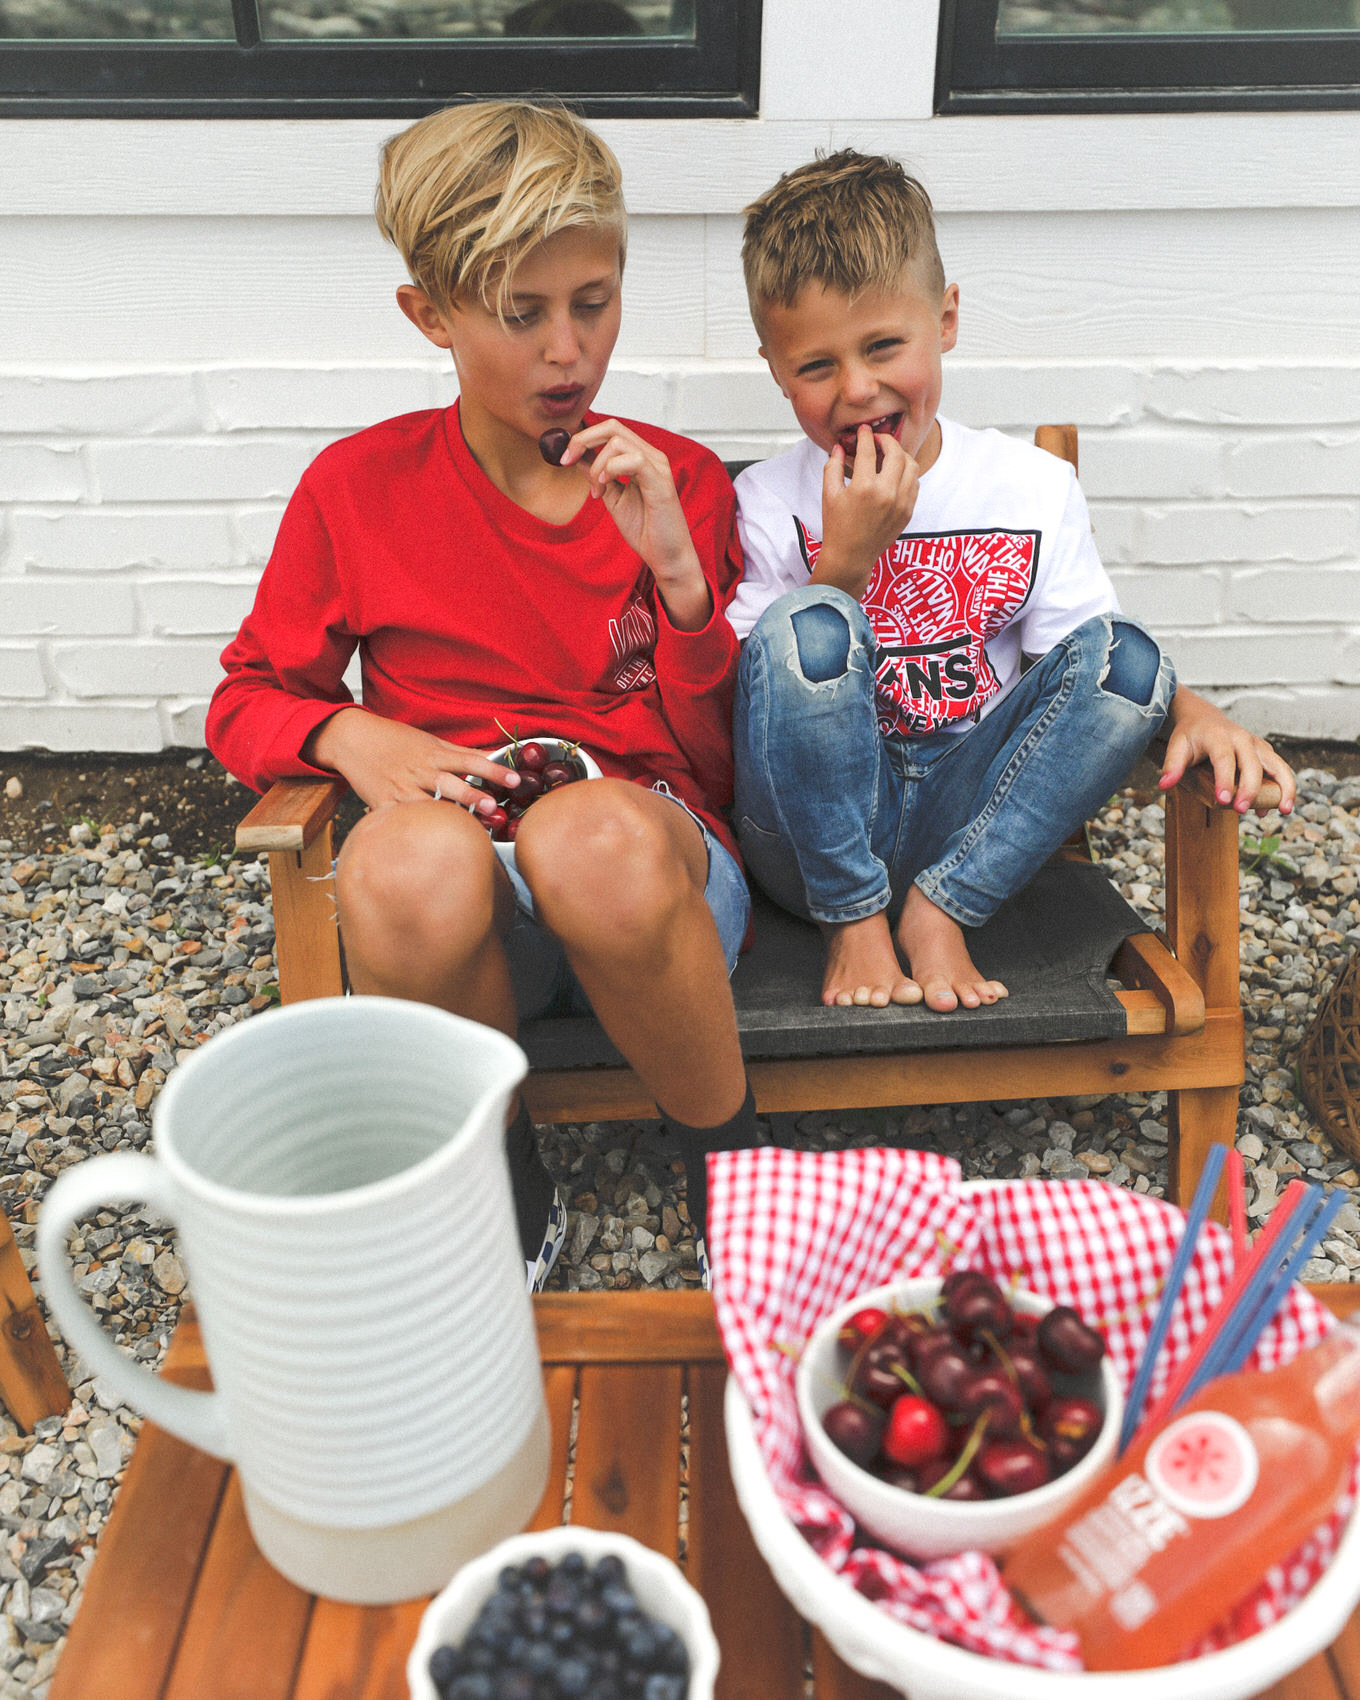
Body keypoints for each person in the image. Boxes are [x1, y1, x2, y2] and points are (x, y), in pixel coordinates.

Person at [206, 100, 758, 1289]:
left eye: (593, 302)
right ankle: (504, 1182)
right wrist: (346, 729)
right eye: (522, 315)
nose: (569, 351)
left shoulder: (677, 484)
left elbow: (720, 762)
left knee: (589, 833)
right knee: (397, 860)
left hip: (648, 885)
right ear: (431, 314)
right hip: (467, 919)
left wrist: (679, 581)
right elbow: (246, 698)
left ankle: (729, 1159)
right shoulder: (356, 491)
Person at [727, 150, 1296, 1015]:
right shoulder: (766, 500)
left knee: (1132, 658)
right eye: (815, 367)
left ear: (945, 319)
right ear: (774, 367)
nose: (858, 388)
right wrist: (842, 567)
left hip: (972, 817)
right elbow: (756, 707)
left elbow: (1087, 669)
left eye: (885, 346)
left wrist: (1195, 711)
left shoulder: (1029, 486)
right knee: (807, 626)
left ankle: (938, 910)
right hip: (813, 841)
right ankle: (854, 921)